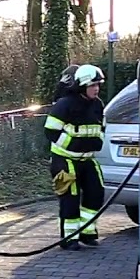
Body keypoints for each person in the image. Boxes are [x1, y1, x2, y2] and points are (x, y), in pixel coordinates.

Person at [44, 63, 106, 250]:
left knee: (96, 193)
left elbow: (101, 127)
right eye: (92, 85)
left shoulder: (97, 105)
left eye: (98, 85)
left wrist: (98, 141)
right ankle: (69, 238)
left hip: (87, 159)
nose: (96, 89)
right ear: (82, 85)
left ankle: (87, 233)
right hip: (64, 160)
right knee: (70, 198)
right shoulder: (65, 104)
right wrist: (72, 144)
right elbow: (50, 131)